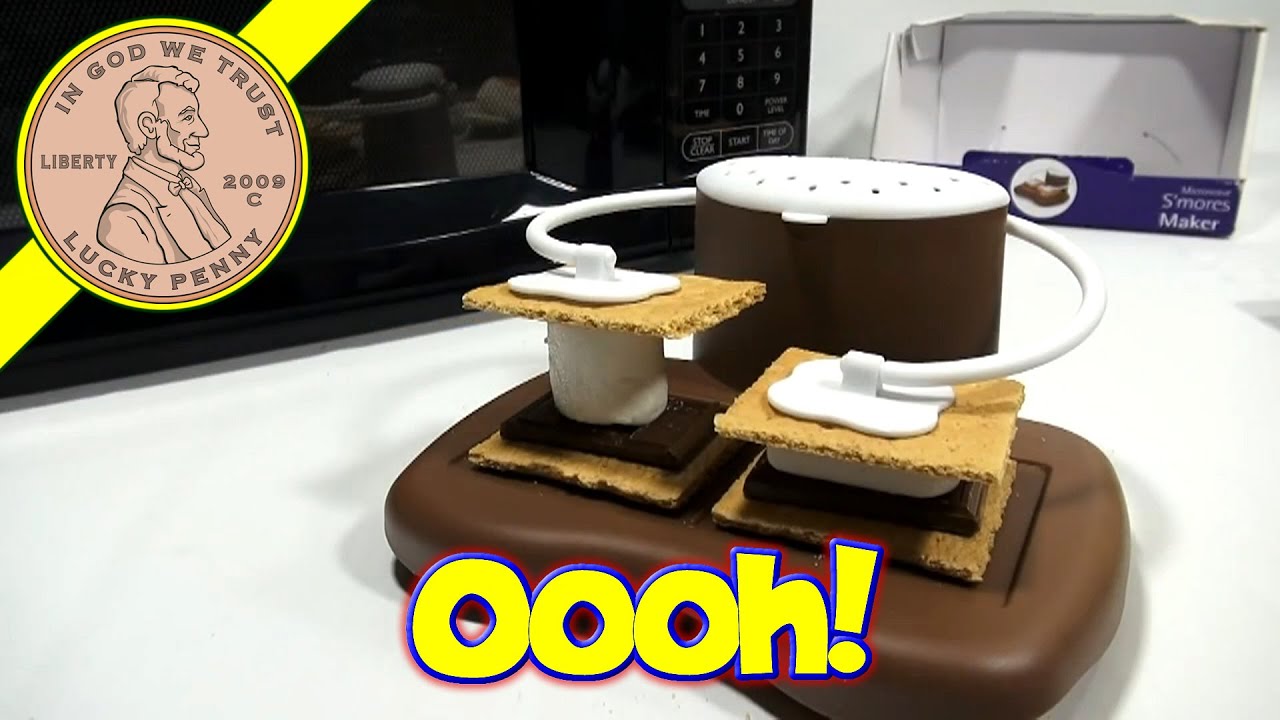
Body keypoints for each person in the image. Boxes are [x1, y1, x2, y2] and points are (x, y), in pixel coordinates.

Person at [97, 65, 230, 264]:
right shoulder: (121, 219)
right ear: (150, 126)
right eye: (187, 117)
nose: (203, 130)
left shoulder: (192, 189)